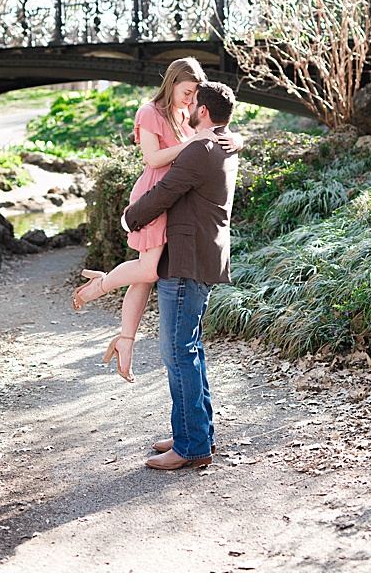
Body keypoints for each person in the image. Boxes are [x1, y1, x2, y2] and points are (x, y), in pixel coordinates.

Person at [72, 58, 240, 381]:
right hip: (153, 195)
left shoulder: (185, 114)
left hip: (171, 199)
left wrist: (236, 139)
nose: (190, 101)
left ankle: (126, 340)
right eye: (187, 92)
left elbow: (216, 125)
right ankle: (100, 285)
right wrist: (192, 142)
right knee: (148, 269)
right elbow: (152, 158)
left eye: (195, 97)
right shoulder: (150, 112)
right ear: (173, 83)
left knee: (146, 277)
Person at [121, 80, 239, 469]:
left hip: (187, 261)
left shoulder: (202, 149)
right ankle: (193, 430)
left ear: (202, 111)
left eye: (193, 104)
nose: (186, 108)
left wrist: (130, 216)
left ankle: (191, 447)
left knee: (178, 352)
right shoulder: (222, 146)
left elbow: (164, 193)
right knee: (190, 350)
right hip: (199, 258)